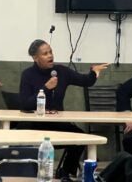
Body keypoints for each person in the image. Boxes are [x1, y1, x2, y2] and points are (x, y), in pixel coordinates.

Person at [19, 39, 109, 181]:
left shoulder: (60, 71)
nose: (50, 56)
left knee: (80, 138)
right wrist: (46, 88)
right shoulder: (28, 74)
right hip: (34, 125)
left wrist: (94, 72)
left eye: (51, 52)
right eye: (45, 53)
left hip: (57, 124)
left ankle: (65, 173)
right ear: (35, 58)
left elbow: (85, 81)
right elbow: (25, 104)